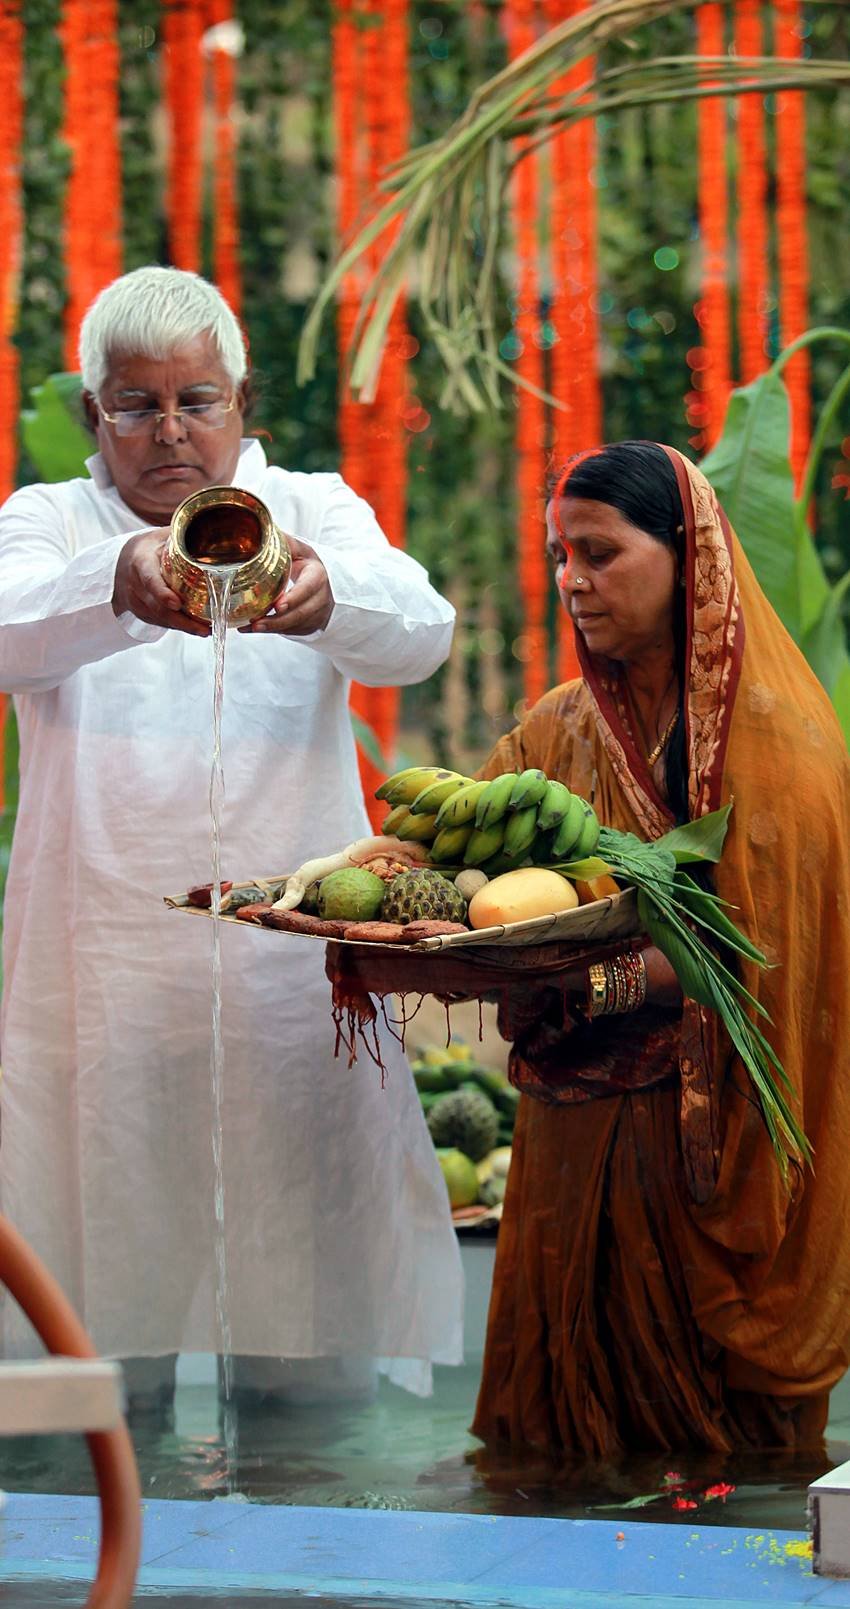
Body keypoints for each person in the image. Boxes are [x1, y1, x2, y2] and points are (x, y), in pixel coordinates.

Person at [0, 265, 463, 1410]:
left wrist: (326, 598)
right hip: (102, 982)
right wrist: (117, 581)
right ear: (94, 413)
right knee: (106, 1360)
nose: (169, 432)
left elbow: (423, 631)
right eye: (135, 404)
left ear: (241, 401)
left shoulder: (311, 510)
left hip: (284, 982)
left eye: (195, 400)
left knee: (310, 1346)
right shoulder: (49, 521)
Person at [472, 441, 850, 1458]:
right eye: (560, 555)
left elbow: (762, 952)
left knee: (718, 1484)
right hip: (571, 1147)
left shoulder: (780, 742)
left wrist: (591, 982)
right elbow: (464, 848)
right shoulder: (558, 728)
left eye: (599, 553)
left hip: (707, 1147)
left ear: (691, 559)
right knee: (553, 1469)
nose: (571, 582)